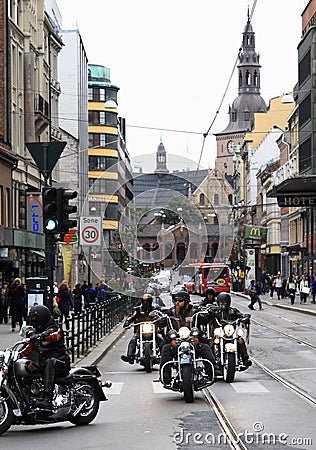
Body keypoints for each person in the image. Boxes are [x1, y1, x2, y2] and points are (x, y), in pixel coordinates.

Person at [159, 290, 217, 386]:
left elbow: (204, 320)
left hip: (193, 341)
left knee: (206, 347)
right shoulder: (171, 312)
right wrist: (158, 318)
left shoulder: (195, 312)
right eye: (176, 300)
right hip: (176, 341)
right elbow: (162, 322)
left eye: (180, 300)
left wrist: (211, 314)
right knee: (165, 348)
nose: (177, 303)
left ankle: (212, 372)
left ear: (186, 302)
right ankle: (165, 377)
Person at [19, 305, 71, 409]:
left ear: (41, 317)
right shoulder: (36, 332)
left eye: (34, 318)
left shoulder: (55, 329)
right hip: (43, 364)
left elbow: (54, 335)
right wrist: (15, 355)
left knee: (50, 361)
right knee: (27, 367)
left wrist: (40, 336)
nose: (32, 320)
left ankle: (48, 398)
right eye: (31, 318)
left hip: (61, 363)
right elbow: (28, 350)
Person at [121, 294, 164, 364]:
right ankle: (130, 357)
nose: (145, 303)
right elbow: (132, 316)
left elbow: (161, 314)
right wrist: (127, 321)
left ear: (151, 302)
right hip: (140, 331)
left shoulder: (155, 309)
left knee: (161, 340)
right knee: (133, 340)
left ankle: (164, 356)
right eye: (144, 301)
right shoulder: (138, 309)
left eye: (147, 301)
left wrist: (162, 318)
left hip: (153, 330)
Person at [215, 293, 252, 369]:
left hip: (231, 332)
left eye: (225, 303)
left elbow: (240, 314)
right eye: (221, 303)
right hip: (220, 332)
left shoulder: (232, 311)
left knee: (240, 340)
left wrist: (245, 317)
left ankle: (245, 359)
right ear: (218, 303)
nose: (223, 305)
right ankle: (213, 359)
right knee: (213, 341)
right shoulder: (216, 311)